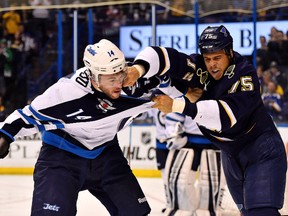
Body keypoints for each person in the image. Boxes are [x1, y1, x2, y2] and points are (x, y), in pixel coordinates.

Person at [123, 25, 287, 216]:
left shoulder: (244, 74)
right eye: (208, 59)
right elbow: (160, 55)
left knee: (261, 212)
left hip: (260, 149)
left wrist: (177, 105)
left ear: (230, 53)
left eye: (217, 58)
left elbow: (225, 117)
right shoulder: (198, 66)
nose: (212, 65)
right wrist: (137, 69)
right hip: (231, 154)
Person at [0, 39, 158, 216]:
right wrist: (4, 136)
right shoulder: (67, 92)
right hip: (62, 158)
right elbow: (26, 116)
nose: (118, 85)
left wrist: (183, 100)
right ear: (94, 77)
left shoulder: (134, 85)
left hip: (107, 154)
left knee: (135, 212)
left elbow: (163, 61)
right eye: (111, 79)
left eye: (120, 76)